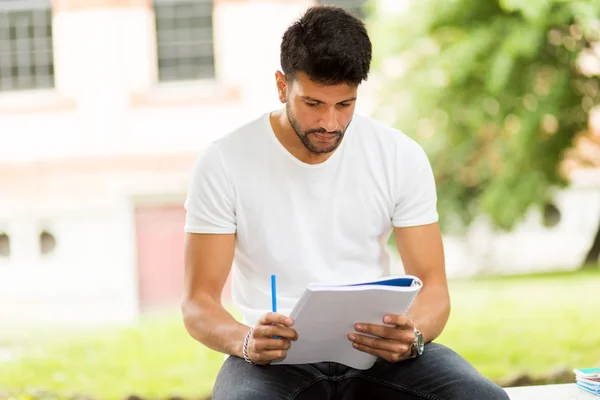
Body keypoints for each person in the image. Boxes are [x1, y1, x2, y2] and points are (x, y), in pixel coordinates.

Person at [182, 5, 509, 400]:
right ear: (282, 86)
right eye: (313, 104)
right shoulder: (225, 161)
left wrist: (413, 334)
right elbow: (198, 303)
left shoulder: (398, 155)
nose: (330, 124)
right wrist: (245, 340)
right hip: (274, 363)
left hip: (376, 354)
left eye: (345, 104)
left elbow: (434, 286)